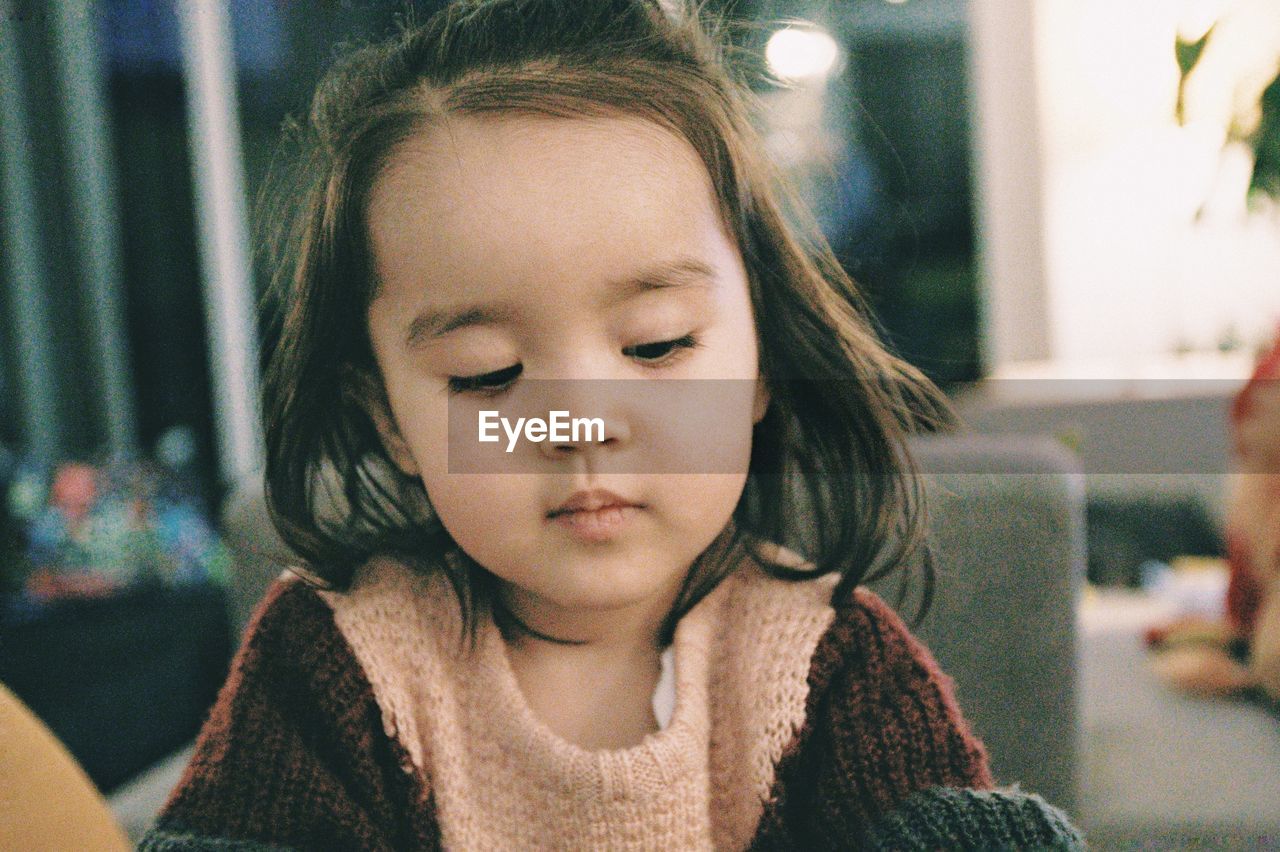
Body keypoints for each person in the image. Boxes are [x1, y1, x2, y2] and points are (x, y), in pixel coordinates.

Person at [142, 1, 1083, 848]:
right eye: (489, 374)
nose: (581, 425)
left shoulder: (827, 665)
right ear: (389, 419)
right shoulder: (338, 666)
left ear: (761, 364)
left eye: (657, 345)